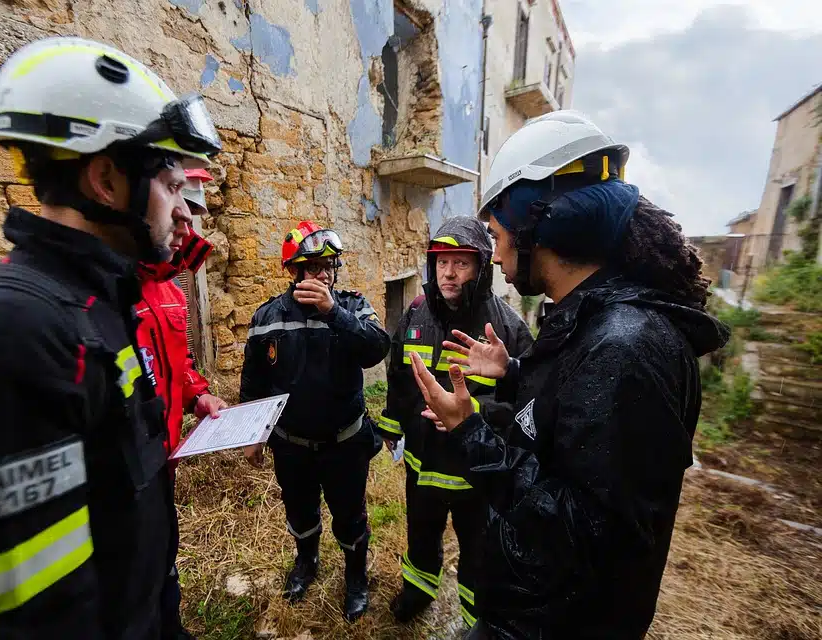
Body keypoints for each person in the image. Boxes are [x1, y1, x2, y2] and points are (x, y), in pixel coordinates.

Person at [0, 36, 221, 638]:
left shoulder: (96, 308)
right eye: (169, 183)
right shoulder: (3, 336)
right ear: (106, 179)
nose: (181, 209)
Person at [407, 110, 730, 639]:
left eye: (495, 233)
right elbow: (574, 418)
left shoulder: (625, 348)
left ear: (539, 225)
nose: (497, 252)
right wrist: (512, 373)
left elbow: (579, 534)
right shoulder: (594, 319)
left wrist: (470, 431)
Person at [379, 216, 532, 629]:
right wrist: (393, 428)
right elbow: (398, 375)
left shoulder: (505, 328)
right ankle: (418, 589)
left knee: (479, 547)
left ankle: (475, 615)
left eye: (460, 263)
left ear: (481, 267)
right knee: (421, 533)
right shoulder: (415, 313)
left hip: (477, 469)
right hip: (423, 460)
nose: (448, 273)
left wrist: (473, 417)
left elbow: (527, 402)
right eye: (441, 262)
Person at [239, 221, 390, 622]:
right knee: (300, 512)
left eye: (330, 265)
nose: (324, 273)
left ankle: (355, 577)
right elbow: (254, 381)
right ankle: (306, 562)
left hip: (345, 442)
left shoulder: (353, 307)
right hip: (292, 445)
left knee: (350, 516)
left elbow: (376, 348)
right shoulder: (267, 317)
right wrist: (253, 434)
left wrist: (333, 312)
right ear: (293, 271)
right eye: (313, 265)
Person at [136, 167, 227, 463]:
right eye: (176, 211)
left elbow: (174, 362)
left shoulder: (171, 290)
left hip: (165, 459)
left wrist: (197, 396)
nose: (186, 226)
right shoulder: (110, 291)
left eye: (191, 213)